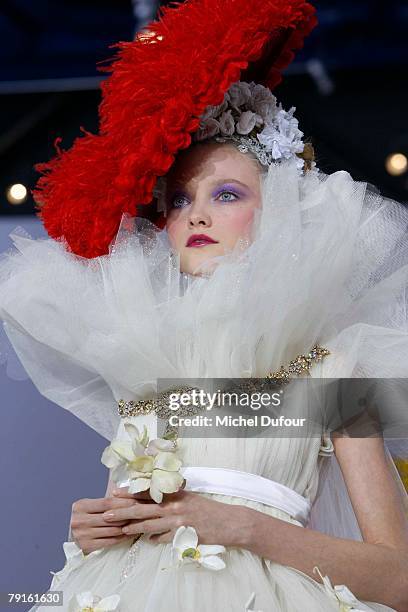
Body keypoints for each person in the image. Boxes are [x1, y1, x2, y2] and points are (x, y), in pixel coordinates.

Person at [0, 1, 407, 611]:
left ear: (280, 214)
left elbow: (399, 581)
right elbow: (134, 513)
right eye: (178, 198)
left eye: (226, 193)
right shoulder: (146, 358)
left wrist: (248, 528)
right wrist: (96, 533)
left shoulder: (331, 362)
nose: (195, 214)